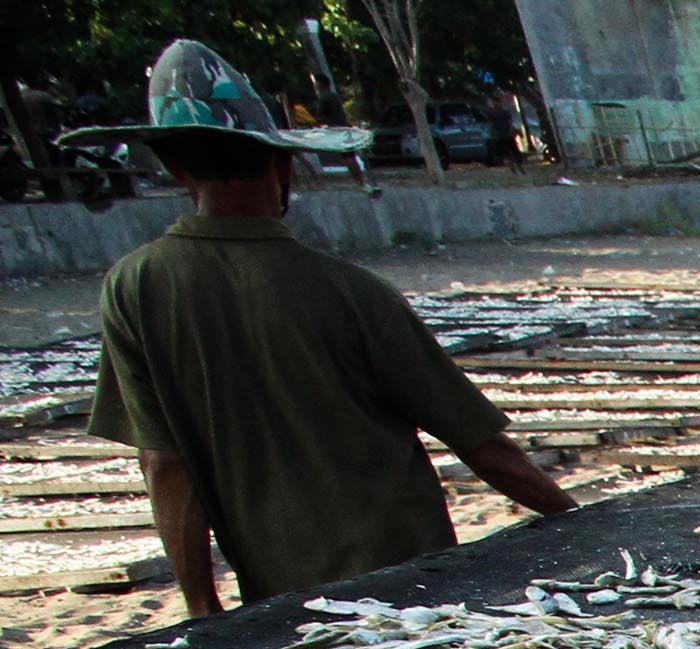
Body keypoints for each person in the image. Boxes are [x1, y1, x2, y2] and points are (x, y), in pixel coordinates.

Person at [64, 42, 575, 618]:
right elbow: (483, 447)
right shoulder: (347, 290)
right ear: (283, 165)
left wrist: (203, 610)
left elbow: (165, 464)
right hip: (415, 581)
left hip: (282, 600)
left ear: (175, 170)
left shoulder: (134, 288)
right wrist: (583, 523)